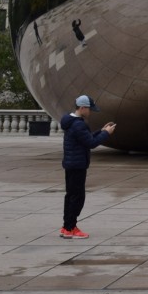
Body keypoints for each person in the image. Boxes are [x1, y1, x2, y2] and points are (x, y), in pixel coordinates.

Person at [59, 95, 116, 239]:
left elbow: (86, 138)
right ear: (83, 108)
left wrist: (100, 131)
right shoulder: (79, 124)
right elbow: (91, 143)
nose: (90, 112)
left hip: (71, 164)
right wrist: (106, 134)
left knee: (70, 195)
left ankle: (67, 227)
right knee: (77, 197)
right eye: (89, 109)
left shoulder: (71, 122)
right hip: (77, 165)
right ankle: (71, 228)